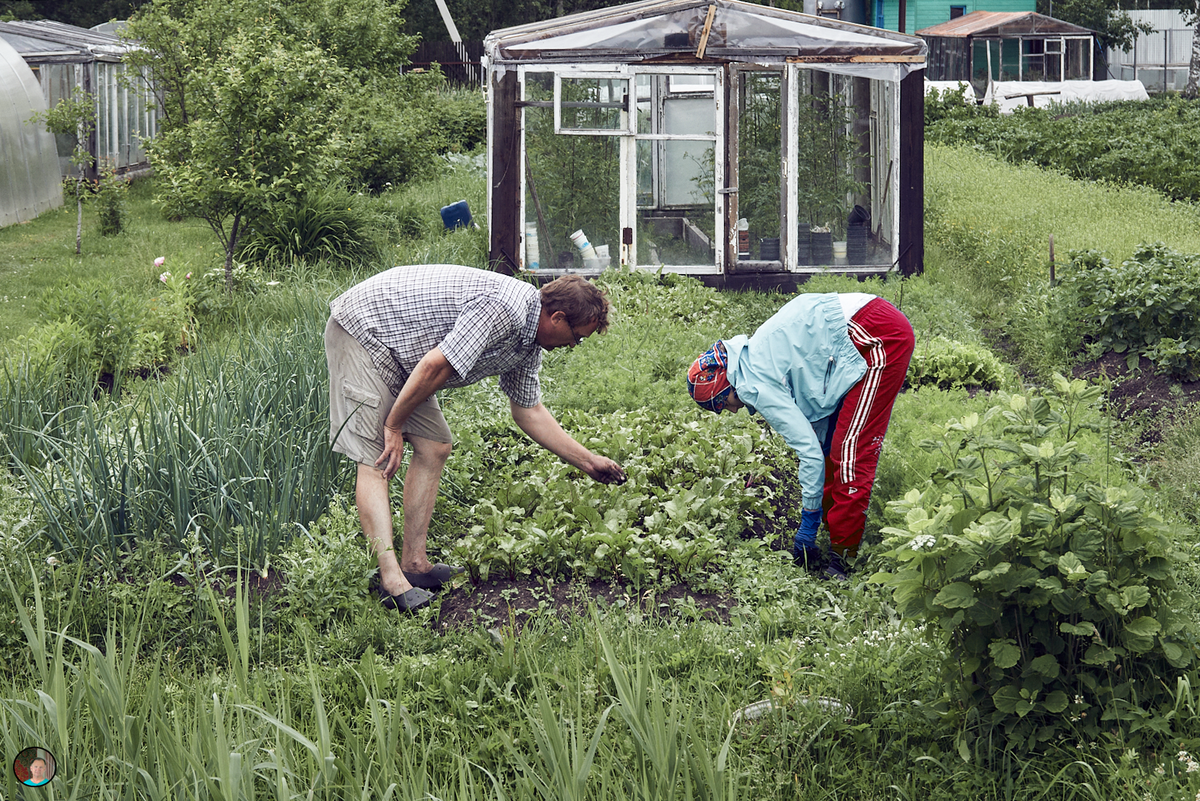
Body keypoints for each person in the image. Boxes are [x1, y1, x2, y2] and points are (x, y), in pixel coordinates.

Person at [326, 265, 626, 612]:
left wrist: (588, 462)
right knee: (377, 458)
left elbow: (528, 411)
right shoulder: (503, 310)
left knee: (434, 445)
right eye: (578, 337)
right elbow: (435, 367)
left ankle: (414, 565)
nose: (574, 345)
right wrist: (393, 427)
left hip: (404, 354)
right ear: (557, 318)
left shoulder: (528, 342)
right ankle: (391, 581)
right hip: (365, 332)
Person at [686, 291, 913, 580]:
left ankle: (843, 560)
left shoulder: (753, 384)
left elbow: (809, 454)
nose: (730, 411)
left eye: (722, 404)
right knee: (832, 444)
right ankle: (837, 540)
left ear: (725, 387)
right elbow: (816, 431)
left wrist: (809, 520)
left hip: (877, 336)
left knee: (849, 451)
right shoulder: (753, 355)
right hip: (862, 326)